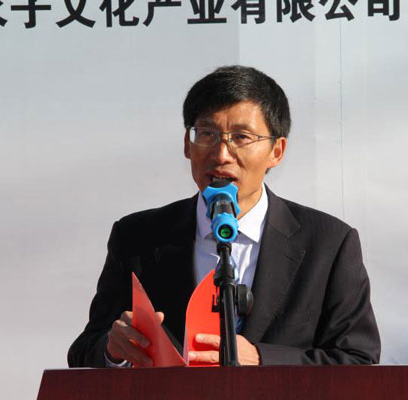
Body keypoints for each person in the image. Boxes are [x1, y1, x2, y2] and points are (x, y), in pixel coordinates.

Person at [68, 65, 380, 367]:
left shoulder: (328, 243)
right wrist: (115, 351)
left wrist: (261, 358)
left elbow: (357, 358)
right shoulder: (138, 236)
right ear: (187, 145)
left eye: (242, 137)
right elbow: (85, 349)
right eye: (207, 134)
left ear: (277, 151)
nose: (221, 154)